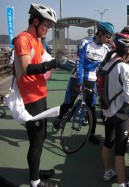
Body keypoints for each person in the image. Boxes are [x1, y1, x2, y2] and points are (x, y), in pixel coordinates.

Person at [13, 3, 59, 187]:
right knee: (36, 140)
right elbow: (26, 68)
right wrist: (51, 64)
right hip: (31, 98)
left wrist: (57, 63)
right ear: (36, 20)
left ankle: (36, 172)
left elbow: (44, 58)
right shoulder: (23, 39)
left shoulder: (36, 40)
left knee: (40, 138)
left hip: (40, 94)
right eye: (46, 25)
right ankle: (35, 182)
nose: (47, 29)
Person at [53, 22, 115, 144]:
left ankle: (91, 134)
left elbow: (106, 65)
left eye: (110, 37)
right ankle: (60, 118)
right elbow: (79, 62)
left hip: (92, 79)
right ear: (101, 33)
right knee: (69, 103)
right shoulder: (85, 42)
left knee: (91, 108)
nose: (109, 39)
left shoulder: (106, 48)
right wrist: (80, 81)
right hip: (77, 77)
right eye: (108, 36)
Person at [101, 32, 129, 187]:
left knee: (108, 142)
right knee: (120, 149)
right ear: (128, 49)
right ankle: (122, 183)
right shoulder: (126, 68)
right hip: (120, 113)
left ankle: (107, 172)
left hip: (107, 109)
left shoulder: (109, 62)